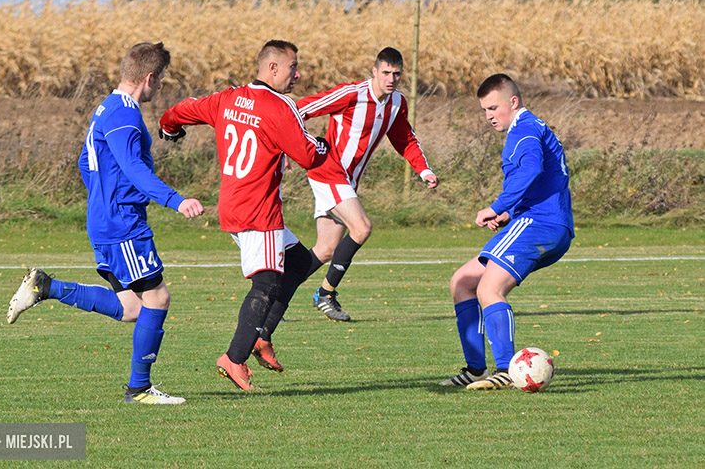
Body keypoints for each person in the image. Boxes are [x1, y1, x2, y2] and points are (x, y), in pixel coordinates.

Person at [6, 42, 204, 405]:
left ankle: (46, 286)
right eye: (161, 80)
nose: (161, 87)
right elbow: (134, 168)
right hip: (123, 224)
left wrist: (102, 195)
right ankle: (139, 390)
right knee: (158, 298)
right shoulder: (125, 115)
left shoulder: (106, 108)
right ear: (149, 77)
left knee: (132, 308)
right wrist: (176, 200)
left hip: (106, 219)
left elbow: (85, 161)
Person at [159, 39, 330, 390]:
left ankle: (261, 336)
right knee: (266, 282)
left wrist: (169, 125)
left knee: (298, 262)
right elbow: (307, 155)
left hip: (234, 204)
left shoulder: (228, 98)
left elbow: (186, 108)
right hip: (258, 209)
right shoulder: (279, 106)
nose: (298, 74)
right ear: (273, 68)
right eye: (293, 66)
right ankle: (234, 357)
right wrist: (323, 144)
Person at [439, 73, 573, 390]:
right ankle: (475, 369)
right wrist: (508, 212)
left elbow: (531, 168)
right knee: (462, 282)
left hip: (540, 223)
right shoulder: (529, 127)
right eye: (484, 110)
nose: (489, 116)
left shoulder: (524, 129)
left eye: (493, 108)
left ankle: (504, 370)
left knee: (488, 290)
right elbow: (541, 179)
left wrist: (498, 206)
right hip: (541, 223)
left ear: (513, 102)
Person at [294, 46, 439, 321]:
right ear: (374, 71)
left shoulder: (397, 103)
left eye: (396, 74)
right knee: (361, 228)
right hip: (328, 171)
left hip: (347, 181)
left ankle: (275, 293)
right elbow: (299, 109)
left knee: (326, 249)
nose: (391, 79)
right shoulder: (352, 94)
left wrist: (424, 171)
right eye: (386, 72)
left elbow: (405, 139)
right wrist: (293, 148)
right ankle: (325, 294)